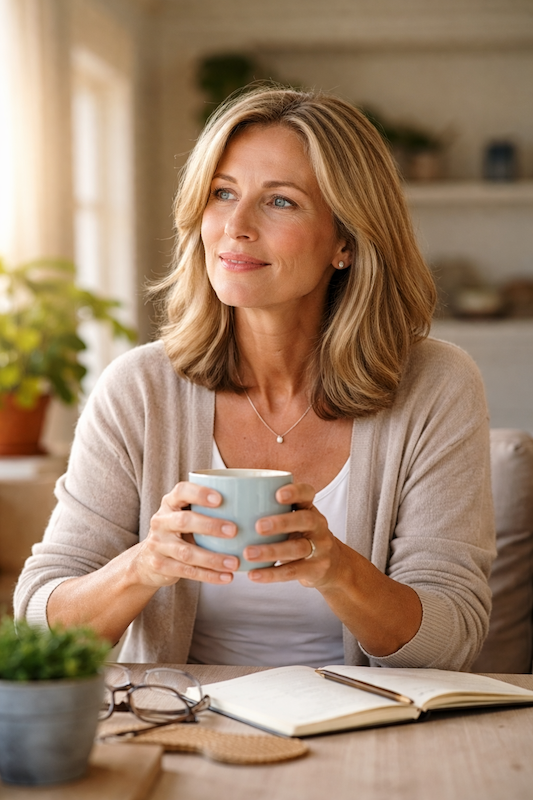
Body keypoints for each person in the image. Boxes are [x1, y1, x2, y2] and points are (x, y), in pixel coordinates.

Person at [15, 86, 495, 671]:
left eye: (280, 201)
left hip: (365, 716)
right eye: (223, 194)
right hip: (178, 713)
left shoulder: (436, 386)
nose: (235, 226)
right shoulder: (138, 389)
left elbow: (452, 639)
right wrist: (142, 566)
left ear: (346, 241)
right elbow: (38, 622)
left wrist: (338, 570)